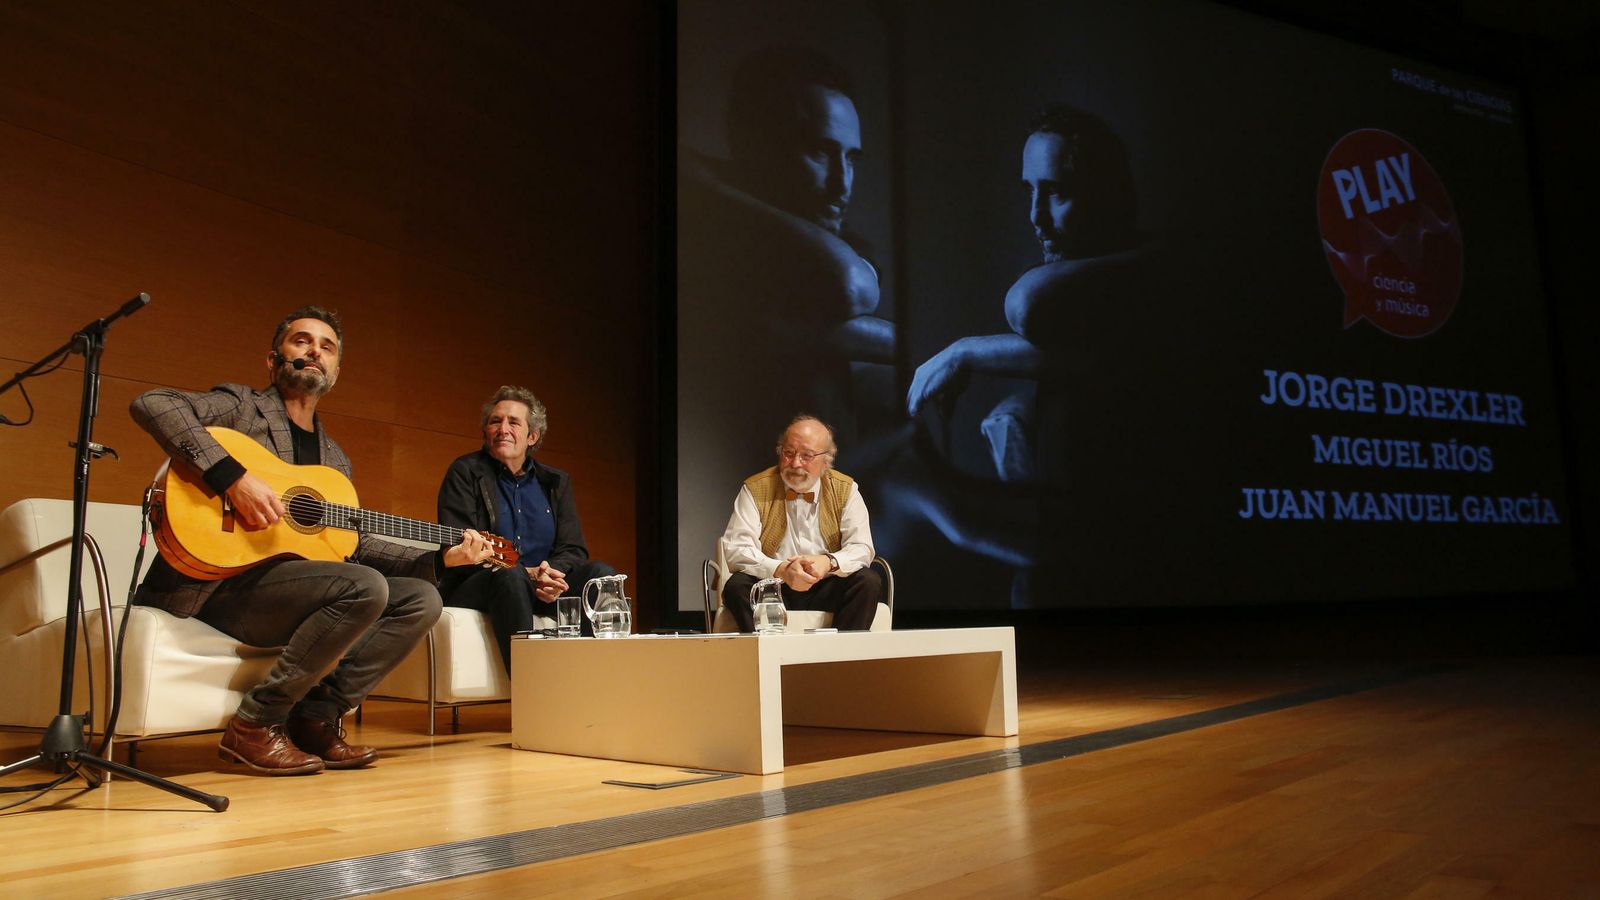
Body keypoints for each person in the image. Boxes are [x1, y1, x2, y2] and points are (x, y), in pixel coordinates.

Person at [130, 306, 497, 776]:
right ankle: (256, 723)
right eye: (302, 341)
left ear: (336, 371)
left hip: (286, 591)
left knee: (421, 598)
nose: (314, 352)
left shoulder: (334, 461)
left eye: (326, 347)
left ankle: (316, 717)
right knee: (364, 585)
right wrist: (233, 479)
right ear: (273, 359)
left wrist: (444, 559)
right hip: (218, 584)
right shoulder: (242, 407)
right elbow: (154, 403)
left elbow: (353, 547)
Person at [906, 104, 1147, 483]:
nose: (1036, 216)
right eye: (1030, 190)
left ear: (1107, 195)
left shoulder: (1153, 283)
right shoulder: (1088, 318)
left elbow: (1029, 303)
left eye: (1057, 192)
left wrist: (967, 351)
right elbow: (1079, 355)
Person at [437, 385, 617, 670]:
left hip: (543, 587)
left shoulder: (556, 483)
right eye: (495, 421)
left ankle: (593, 678)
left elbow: (573, 548)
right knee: (511, 575)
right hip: (484, 583)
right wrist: (525, 573)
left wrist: (549, 574)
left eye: (513, 422)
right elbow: (461, 545)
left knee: (601, 576)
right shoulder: (465, 472)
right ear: (486, 431)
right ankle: (530, 690)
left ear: (532, 436)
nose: (502, 428)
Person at [718, 415, 881, 632]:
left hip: (825, 586)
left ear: (826, 460)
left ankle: (840, 661)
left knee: (868, 581)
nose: (795, 464)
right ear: (780, 451)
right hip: (774, 588)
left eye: (807, 456)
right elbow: (737, 548)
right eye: (789, 453)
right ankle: (769, 657)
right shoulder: (755, 489)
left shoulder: (845, 490)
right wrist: (782, 570)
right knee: (736, 586)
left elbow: (862, 548)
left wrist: (828, 562)